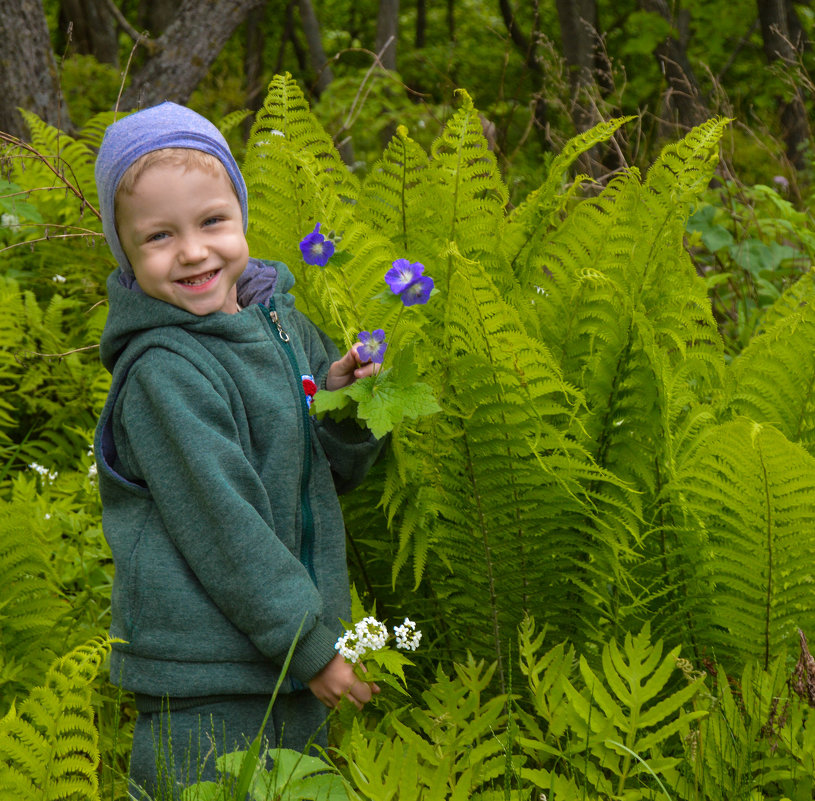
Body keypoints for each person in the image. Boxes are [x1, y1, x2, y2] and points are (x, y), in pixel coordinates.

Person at [93, 102, 381, 797]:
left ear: (241, 216)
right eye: (159, 235)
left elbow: (327, 474)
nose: (193, 251)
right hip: (203, 672)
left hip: (286, 649)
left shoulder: (280, 325)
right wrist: (308, 646)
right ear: (126, 253)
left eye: (212, 221)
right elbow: (223, 524)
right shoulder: (164, 372)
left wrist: (341, 405)